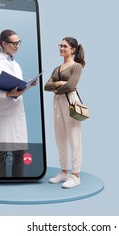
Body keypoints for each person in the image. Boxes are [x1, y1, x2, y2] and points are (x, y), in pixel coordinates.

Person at [0, 29, 34, 177]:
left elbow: (17, 88)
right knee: (1, 156)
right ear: (3, 44)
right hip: (2, 114)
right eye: (14, 43)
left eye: (19, 43)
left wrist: (28, 85)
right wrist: (7, 93)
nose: (17, 46)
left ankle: (18, 187)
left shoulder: (16, 65)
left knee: (19, 155)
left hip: (17, 113)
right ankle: (0, 188)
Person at [44, 37, 86, 188]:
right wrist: (59, 83)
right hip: (57, 103)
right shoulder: (57, 69)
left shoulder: (77, 66)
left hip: (70, 102)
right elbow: (46, 86)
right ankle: (64, 172)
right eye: (60, 45)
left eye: (65, 46)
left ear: (73, 49)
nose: (61, 48)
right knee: (59, 137)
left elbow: (71, 86)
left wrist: (58, 85)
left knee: (74, 139)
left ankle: (76, 175)